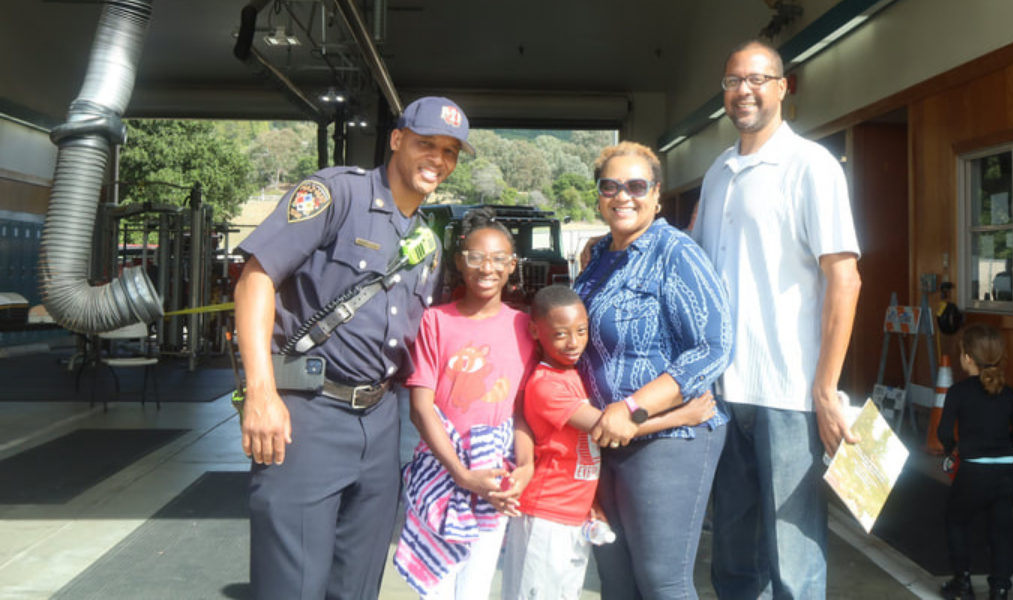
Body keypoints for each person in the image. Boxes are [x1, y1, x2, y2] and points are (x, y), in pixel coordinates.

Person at [234, 96, 471, 600]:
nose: (438, 159)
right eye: (427, 143)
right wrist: (260, 392)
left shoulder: (426, 242)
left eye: (450, 151)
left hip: (381, 423)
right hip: (307, 415)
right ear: (397, 140)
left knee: (357, 585)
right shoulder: (336, 194)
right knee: (292, 586)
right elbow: (256, 279)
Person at [693, 40, 863, 598]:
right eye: (733, 80)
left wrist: (825, 388)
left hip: (789, 395)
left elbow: (845, 278)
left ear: (783, 86)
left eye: (758, 78)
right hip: (721, 395)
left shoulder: (811, 165)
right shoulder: (718, 172)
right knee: (734, 560)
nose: (745, 90)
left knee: (793, 561)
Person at [574, 141, 735, 599]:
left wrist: (633, 408)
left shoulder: (676, 254)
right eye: (611, 186)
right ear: (599, 196)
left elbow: (712, 347)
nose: (623, 196)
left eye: (636, 185)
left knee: (661, 582)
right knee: (617, 582)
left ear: (657, 195)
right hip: (604, 441)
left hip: (667, 442)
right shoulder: (598, 258)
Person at [503, 285, 719, 600]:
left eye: (581, 331)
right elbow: (608, 428)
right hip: (546, 516)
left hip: (573, 514)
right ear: (535, 331)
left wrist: (590, 502)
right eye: (561, 334)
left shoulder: (572, 375)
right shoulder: (547, 385)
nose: (574, 342)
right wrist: (680, 417)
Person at [393, 207, 538, 599]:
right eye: (475, 257)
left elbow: (523, 414)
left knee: (476, 587)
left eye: (497, 259)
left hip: (494, 476)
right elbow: (421, 409)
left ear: (512, 265)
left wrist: (525, 466)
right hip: (442, 469)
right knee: (438, 588)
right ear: (460, 263)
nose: (486, 268)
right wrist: (459, 472)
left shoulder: (524, 327)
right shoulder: (434, 322)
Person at [937, 324, 1013, 600]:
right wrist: (1002, 447)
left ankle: (962, 583)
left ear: (966, 357)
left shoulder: (958, 392)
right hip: (1005, 471)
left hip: (973, 470)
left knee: (956, 520)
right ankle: (1000, 588)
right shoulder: (1009, 393)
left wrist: (955, 450)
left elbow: (943, 433)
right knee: (1000, 529)